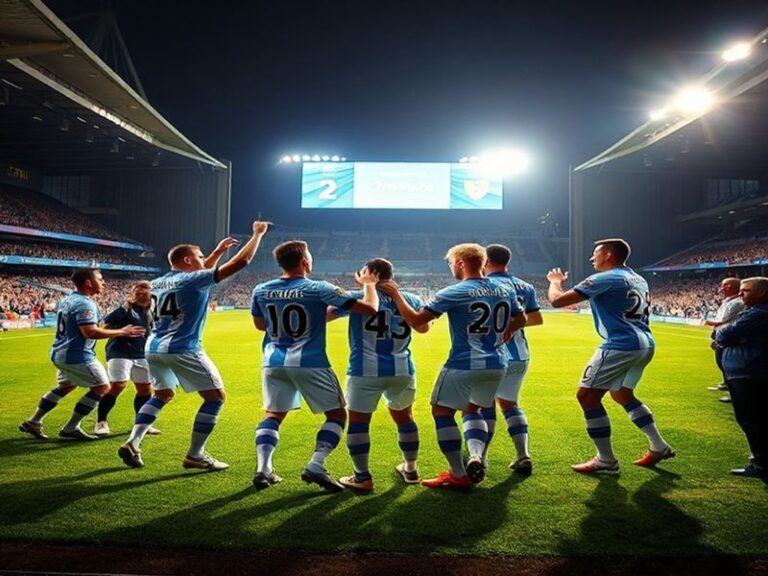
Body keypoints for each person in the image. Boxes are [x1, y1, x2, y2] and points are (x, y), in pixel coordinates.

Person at [117, 221, 269, 470]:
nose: (204, 259)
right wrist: (257, 234)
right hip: (183, 347)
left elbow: (197, 274)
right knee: (215, 397)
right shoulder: (191, 280)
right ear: (188, 261)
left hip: (153, 347)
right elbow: (242, 263)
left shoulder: (156, 283)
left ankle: (133, 442)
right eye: (199, 256)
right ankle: (195, 455)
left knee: (163, 394)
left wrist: (217, 252)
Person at [380, 243, 526, 489]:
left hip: (463, 363)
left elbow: (417, 322)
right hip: (497, 363)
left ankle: (458, 474)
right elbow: (521, 318)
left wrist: (396, 295)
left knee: (442, 411)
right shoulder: (504, 289)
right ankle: (477, 456)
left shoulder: (454, 292)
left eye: (450, 263)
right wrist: (507, 331)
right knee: (473, 410)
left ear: (460, 263)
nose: (450, 268)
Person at [251, 240, 380, 492]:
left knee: (273, 415)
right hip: (310, 362)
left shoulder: (261, 289)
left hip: (273, 361)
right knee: (336, 415)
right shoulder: (318, 287)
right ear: (305, 262)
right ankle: (316, 464)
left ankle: (263, 469)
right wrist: (369, 286)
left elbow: (260, 325)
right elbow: (370, 308)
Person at [547, 238, 674, 474]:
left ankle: (605, 460)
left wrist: (555, 282)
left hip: (621, 344)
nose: (591, 258)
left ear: (607, 255)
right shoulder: (637, 278)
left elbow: (556, 301)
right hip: (645, 343)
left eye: (595, 253)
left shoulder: (605, 278)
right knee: (622, 394)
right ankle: (659, 445)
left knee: (586, 396)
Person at [327, 258, 429, 491]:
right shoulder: (410, 298)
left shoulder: (356, 296)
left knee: (359, 422)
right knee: (405, 418)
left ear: (370, 273)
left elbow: (327, 315)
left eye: (363, 271)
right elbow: (423, 327)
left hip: (364, 371)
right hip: (402, 370)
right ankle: (411, 469)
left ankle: (362, 477)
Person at [19, 268, 145, 441]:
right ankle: (71, 428)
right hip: (77, 355)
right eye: (100, 279)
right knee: (102, 387)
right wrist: (122, 332)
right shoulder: (84, 303)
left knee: (66, 386)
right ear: (88, 282)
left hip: (60, 352)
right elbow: (90, 332)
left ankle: (34, 421)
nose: (103, 282)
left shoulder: (67, 300)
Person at [482, 244, 543, 475]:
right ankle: (522, 454)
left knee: (483, 405)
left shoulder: (484, 286)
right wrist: (514, 323)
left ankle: (481, 458)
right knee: (510, 404)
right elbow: (536, 318)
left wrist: (499, 326)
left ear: (485, 261)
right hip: (520, 354)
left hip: (492, 354)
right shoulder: (524, 286)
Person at [714, 277, 768, 478]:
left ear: (761, 293)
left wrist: (727, 335)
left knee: (752, 419)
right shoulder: (754, 312)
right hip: (749, 371)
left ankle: (762, 464)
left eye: (745, 290)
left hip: (748, 373)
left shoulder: (758, 314)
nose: (740, 294)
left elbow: (721, 335)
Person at [94, 281, 159, 437]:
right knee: (118, 385)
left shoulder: (154, 310)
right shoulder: (124, 310)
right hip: (119, 351)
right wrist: (122, 332)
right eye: (137, 294)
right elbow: (101, 327)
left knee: (145, 389)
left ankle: (141, 423)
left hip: (142, 353)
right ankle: (101, 421)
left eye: (144, 294)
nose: (141, 297)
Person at [704, 277, 744, 403]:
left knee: (728, 365)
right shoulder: (728, 301)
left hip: (729, 337)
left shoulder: (737, 303)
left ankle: (735, 394)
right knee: (721, 362)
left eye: (724, 285)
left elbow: (723, 320)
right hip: (722, 336)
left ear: (731, 287)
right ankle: (728, 386)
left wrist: (709, 322)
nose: (721, 288)